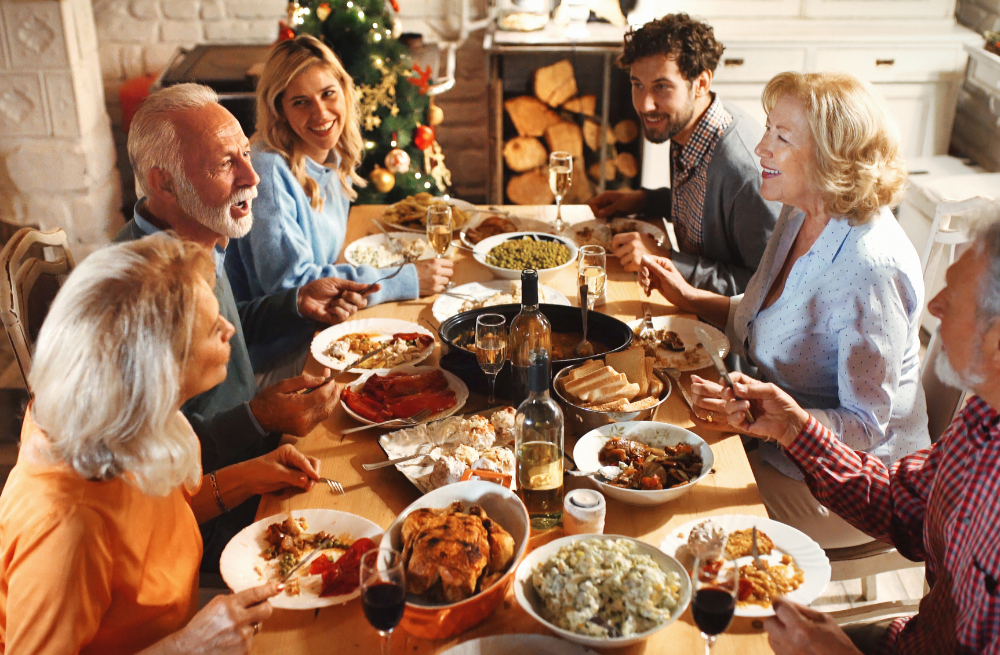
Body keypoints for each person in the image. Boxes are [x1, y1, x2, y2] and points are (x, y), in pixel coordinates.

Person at [688, 208, 1000, 655]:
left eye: (952, 298)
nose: (932, 306)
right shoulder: (984, 418)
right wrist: (795, 428)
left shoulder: (872, 260)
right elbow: (902, 504)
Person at [641, 71, 930, 549]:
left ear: (833, 155)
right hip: (777, 442)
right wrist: (689, 297)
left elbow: (865, 425)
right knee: (654, 454)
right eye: (767, 129)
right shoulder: (800, 212)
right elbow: (773, 316)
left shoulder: (870, 268)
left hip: (854, 485)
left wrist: (769, 419)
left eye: (782, 137)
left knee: (678, 506)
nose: (761, 148)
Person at [0, 234, 327, 654]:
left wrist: (250, 476)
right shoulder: (67, 528)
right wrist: (188, 646)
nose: (230, 328)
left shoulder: (122, 418)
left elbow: (157, 522)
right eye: (213, 328)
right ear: (158, 371)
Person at [118, 82, 361, 570]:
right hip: (207, 521)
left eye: (246, 154)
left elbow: (221, 331)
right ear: (164, 184)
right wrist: (259, 418)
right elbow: (153, 467)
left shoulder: (198, 232)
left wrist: (294, 304)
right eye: (224, 164)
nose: (252, 177)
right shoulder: (138, 294)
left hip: (259, 452)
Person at [225, 35, 453, 311]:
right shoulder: (267, 170)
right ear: (280, 110)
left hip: (329, 313)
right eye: (300, 102)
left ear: (344, 91)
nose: (321, 113)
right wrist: (401, 280)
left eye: (328, 93)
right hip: (283, 333)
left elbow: (324, 265)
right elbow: (293, 286)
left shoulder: (333, 154)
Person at [587, 13, 780, 295]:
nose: (645, 105)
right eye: (637, 84)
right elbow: (702, 209)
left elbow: (768, 289)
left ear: (701, 83)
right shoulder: (686, 127)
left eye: (661, 87)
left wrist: (666, 259)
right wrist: (644, 199)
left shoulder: (744, 173)